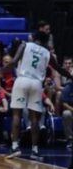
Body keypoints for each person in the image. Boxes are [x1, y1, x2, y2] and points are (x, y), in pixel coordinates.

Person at [7, 31, 72, 160]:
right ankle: (35, 150)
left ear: (34, 38)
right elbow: (59, 69)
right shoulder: (47, 53)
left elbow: (14, 62)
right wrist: (70, 76)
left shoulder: (25, 45)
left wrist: (2, 70)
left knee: (16, 114)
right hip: (37, 84)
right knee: (35, 118)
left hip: (22, 80)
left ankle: (15, 147)